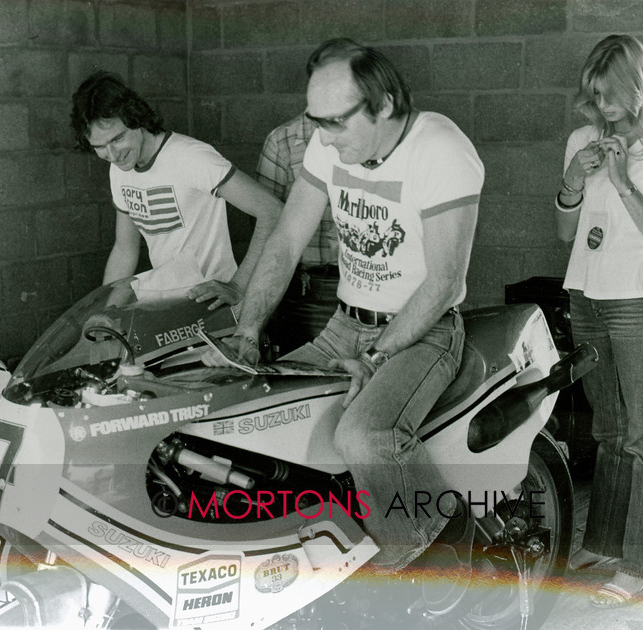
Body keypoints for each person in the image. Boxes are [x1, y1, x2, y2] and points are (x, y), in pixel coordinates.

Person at [204, 38, 484, 576]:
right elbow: (285, 242)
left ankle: (444, 554)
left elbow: (445, 283)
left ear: (382, 104)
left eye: (335, 122)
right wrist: (247, 330)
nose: (322, 137)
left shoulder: (441, 149)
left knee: (364, 435)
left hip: (421, 334)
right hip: (342, 325)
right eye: (316, 121)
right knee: (254, 416)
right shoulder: (326, 146)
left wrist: (376, 356)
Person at [556, 34, 643, 608]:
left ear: (636, 88)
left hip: (636, 300)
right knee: (607, 431)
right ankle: (605, 541)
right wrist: (573, 180)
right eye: (594, 95)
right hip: (585, 294)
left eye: (609, 94)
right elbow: (565, 231)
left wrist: (621, 182)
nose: (601, 105)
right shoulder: (583, 140)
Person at [70, 71, 281, 309]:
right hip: (171, 302)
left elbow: (272, 210)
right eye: (100, 146)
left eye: (117, 138)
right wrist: (107, 313)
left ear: (135, 119)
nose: (112, 154)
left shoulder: (191, 156)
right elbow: (124, 249)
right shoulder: (119, 168)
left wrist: (238, 286)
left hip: (213, 303)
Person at [256, 113, 339, 356]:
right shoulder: (283, 140)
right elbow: (267, 221)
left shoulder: (369, 134)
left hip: (366, 286)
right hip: (309, 288)